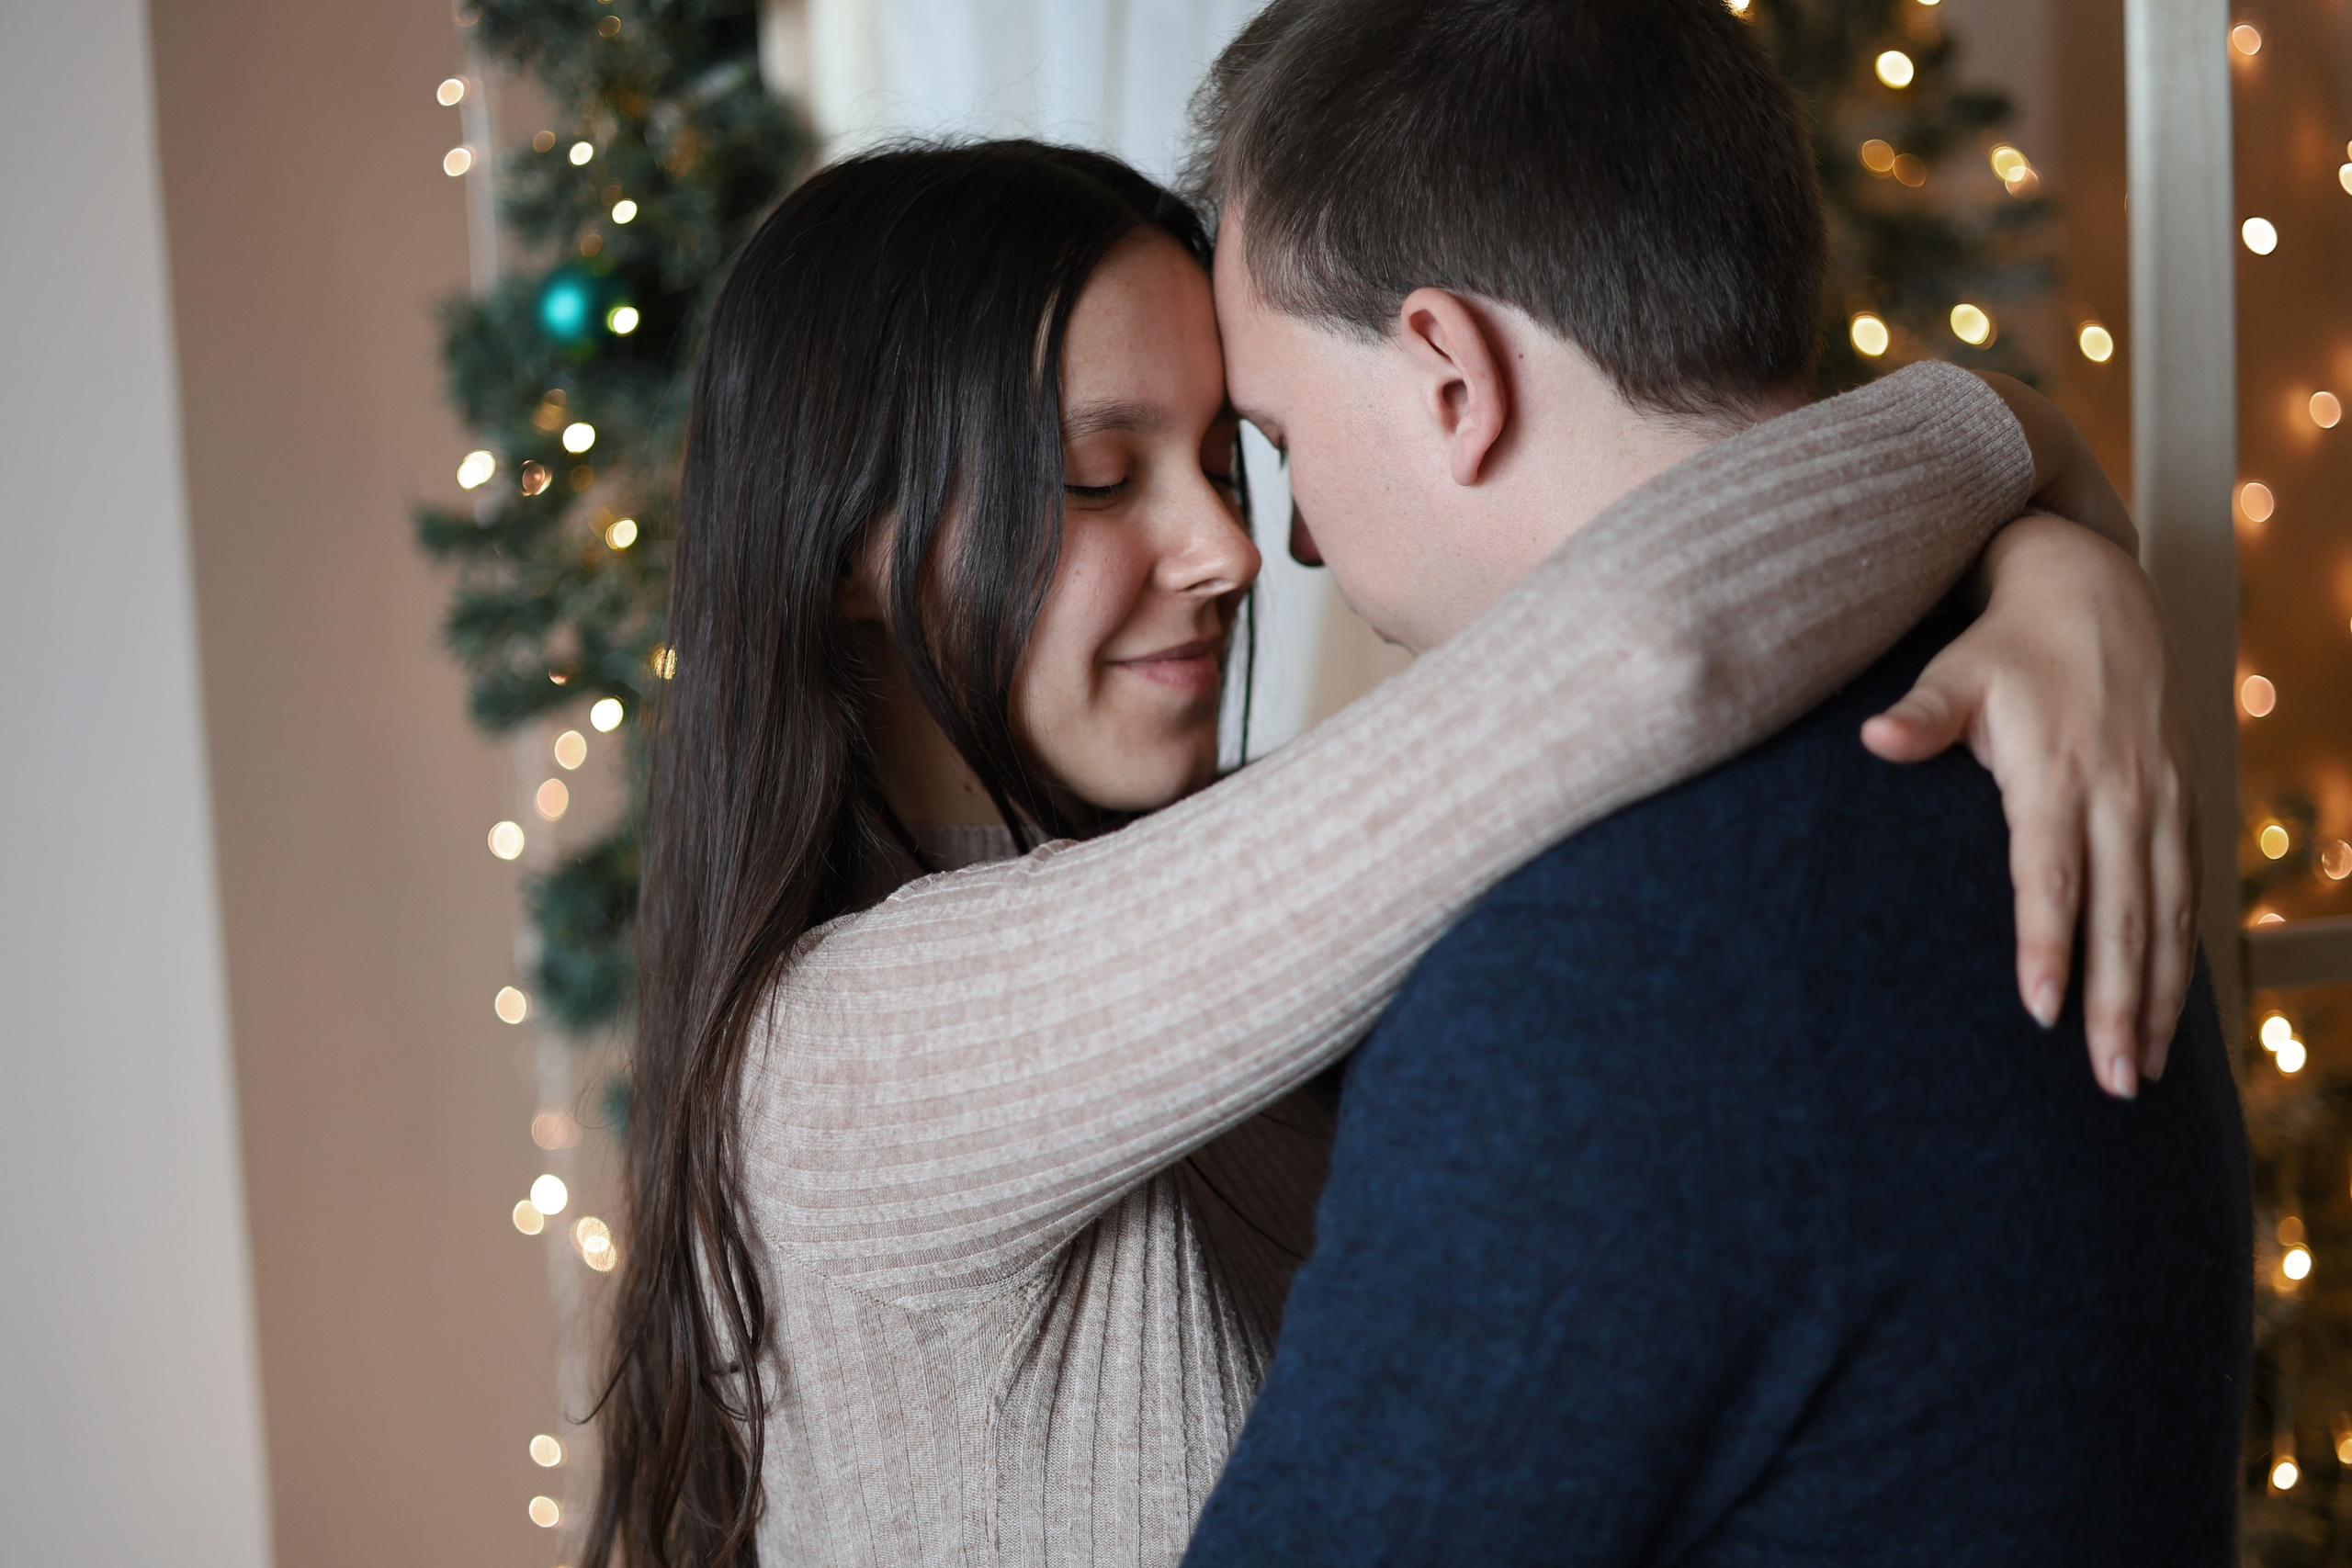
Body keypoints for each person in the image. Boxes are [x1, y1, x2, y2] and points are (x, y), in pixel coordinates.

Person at [582, 141, 2194, 1567]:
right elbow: (1638, 656)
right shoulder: (841, 1059)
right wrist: (2009, 447)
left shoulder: (1228, 913)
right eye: (1097, 474)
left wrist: (2048, 568)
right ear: (849, 545)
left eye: (1228, 459)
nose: (1226, 550)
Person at [1179, 2, 2248, 1562]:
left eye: (1278, 439)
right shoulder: (2023, 735)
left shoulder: (1612, 962)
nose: (1300, 545)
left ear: (1449, 378)